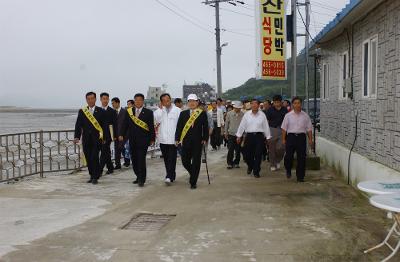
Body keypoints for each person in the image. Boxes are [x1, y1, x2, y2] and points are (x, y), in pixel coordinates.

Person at [119, 93, 156, 187]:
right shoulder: (129, 111)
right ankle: (138, 176)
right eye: (136, 100)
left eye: (140, 100)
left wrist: (152, 138)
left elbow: (151, 126)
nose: (138, 101)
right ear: (134, 101)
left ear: (143, 101)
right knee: (134, 160)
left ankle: (141, 179)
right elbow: (125, 124)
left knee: (141, 159)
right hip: (132, 139)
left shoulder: (148, 112)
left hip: (143, 140)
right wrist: (121, 134)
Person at [175, 94, 209, 189]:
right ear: (187, 102)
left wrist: (205, 138)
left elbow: (205, 127)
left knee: (196, 162)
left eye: (194, 101)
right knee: (185, 161)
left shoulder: (202, 113)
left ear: (197, 102)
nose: (192, 103)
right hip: (186, 141)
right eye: (190, 101)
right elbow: (179, 127)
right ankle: (192, 173)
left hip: (198, 141)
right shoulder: (183, 114)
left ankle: (193, 181)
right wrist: (177, 139)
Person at [74, 92, 106, 185]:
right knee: (88, 158)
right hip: (86, 139)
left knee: (94, 157)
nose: (90, 100)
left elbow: (104, 126)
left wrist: (105, 138)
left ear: (95, 99)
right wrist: (77, 136)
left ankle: (96, 177)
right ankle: (92, 175)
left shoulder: (101, 111)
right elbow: (78, 125)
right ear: (86, 100)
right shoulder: (82, 111)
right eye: (88, 99)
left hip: (97, 139)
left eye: (92, 98)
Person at [236, 99, 271, 178]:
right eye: (252, 104)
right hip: (249, 136)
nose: (254, 105)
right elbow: (242, 125)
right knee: (247, 155)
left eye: (256, 104)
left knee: (258, 154)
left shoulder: (262, 115)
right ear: (250, 105)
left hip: (259, 137)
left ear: (258, 105)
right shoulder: (247, 115)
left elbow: (266, 126)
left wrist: (268, 137)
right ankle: (250, 166)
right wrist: (239, 135)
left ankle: (256, 171)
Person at [281, 97, 313, 182]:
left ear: (301, 104)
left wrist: (310, 139)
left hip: (301, 138)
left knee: (302, 158)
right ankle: (288, 169)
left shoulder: (305, 116)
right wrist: (283, 139)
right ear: (292, 105)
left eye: (298, 103)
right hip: (290, 137)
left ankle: (300, 177)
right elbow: (284, 128)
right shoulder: (288, 116)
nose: (297, 105)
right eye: (295, 103)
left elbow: (309, 129)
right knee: (289, 156)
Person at [154, 93, 181, 185]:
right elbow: (156, 120)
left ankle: (168, 176)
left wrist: (179, 138)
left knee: (172, 158)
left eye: (168, 100)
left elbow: (180, 126)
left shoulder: (177, 110)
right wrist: (161, 109)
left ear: (171, 100)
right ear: (161, 102)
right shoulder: (159, 111)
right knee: (166, 159)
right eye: (164, 101)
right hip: (163, 139)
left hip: (174, 140)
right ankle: (171, 175)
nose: (167, 102)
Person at [266, 95, 288, 171]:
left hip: (282, 130)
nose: (276, 104)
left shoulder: (285, 110)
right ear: (273, 102)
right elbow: (267, 121)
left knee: (281, 147)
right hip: (272, 129)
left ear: (281, 102)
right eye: (275, 102)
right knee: (271, 148)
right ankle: (272, 164)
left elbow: (287, 121)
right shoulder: (270, 110)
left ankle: (278, 160)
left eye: (278, 102)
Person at [99, 92, 117, 175]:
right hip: (99, 135)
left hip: (108, 135)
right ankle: (110, 167)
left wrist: (115, 135)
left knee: (103, 152)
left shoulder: (112, 111)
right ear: (100, 99)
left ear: (108, 100)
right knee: (106, 152)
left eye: (107, 99)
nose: (105, 100)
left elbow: (115, 124)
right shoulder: (97, 110)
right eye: (103, 99)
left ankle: (99, 170)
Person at [225, 101, 244, 169]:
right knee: (230, 149)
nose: (237, 109)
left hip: (239, 135)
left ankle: (236, 162)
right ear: (234, 107)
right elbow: (226, 123)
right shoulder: (229, 114)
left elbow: (244, 125)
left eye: (239, 108)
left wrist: (244, 135)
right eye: (236, 108)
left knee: (238, 149)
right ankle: (229, 163)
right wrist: (225, 132)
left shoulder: (242, 114)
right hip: (231, 134)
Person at [111, 97, 127, 169]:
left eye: (113, 103)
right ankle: (118, 164)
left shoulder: (125, 112)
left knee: (123, 148)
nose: (112, 105)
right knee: (116, 149)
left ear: (118, 103)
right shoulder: (113, 112)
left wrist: (123, 135)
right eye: (112, 103)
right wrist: (113, 135)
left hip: (124, 135)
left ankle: (127, 161)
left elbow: (127, 124)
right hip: (116, 135)